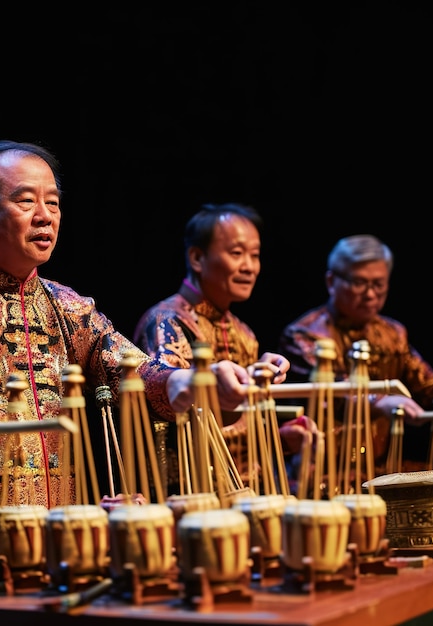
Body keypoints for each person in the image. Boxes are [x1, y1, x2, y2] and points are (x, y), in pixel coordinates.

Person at [0, 141, 289, 592]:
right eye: (25, 200)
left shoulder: (70, 309)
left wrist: (193, 381)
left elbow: (135, 371)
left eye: (52, 202)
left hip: (56, 527)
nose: (45, 215)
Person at [133, 202, 311, 493]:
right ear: (197, 257)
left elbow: (242, 430)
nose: (249, 266)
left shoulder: (244, 333)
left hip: (246, 491)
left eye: (255, 255)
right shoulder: (168, 320)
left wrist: (281, 438)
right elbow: (177, 417)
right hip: (193, 495)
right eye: (237, 253)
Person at [277, 233, 433, 474]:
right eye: (359, 283)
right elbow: (333, 392)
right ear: (331, 282)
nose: (370, 294)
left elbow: (429, 385)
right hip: (319, 471)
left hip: (378, 469)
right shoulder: (304, 335)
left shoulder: (393, 334)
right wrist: (381, 401)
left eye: (378, 284)